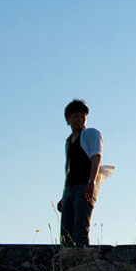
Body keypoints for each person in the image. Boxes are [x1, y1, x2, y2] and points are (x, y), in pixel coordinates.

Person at [59, 99, 102, 247]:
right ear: (68, 119)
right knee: (66, 231)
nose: (79, 119)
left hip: (85, 185)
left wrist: (92, 182)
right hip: (70, 187)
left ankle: (83, 259)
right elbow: (69, 169)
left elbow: (96, 157)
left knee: (80, 228)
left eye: (82, 116)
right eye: (75, 116)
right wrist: (63, 195)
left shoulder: (91, 134)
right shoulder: (68, 141)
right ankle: (67, 262)